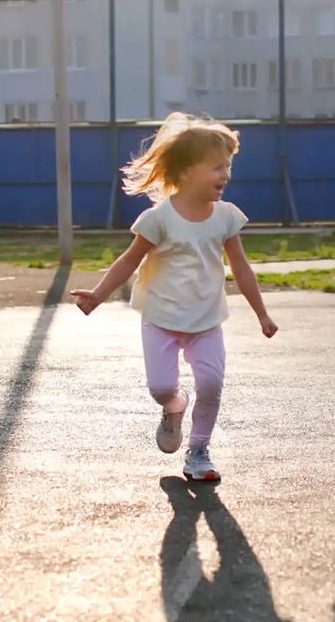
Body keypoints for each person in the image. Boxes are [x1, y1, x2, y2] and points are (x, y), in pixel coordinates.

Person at [72, 114, 279, 482]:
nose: (225, 175)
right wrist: (98, 295)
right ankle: (174, 407)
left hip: (207, 319)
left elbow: (242, 269)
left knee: (213, 383)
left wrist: (262, 314)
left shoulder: (227, 217)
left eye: (228, 167)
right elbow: (129, 261)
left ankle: (198, 451)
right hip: (160, 317)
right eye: (216, 168)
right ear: (185, 172)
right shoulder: (160, 218)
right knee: (162, 387)